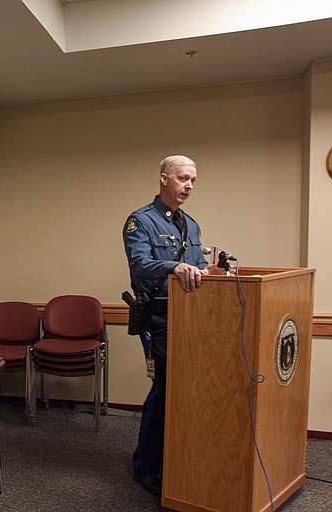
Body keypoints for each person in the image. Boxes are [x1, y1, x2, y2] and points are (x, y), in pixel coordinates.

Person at [122, 155, 225, 497]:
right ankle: (145, 466)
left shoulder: (191, 225)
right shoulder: (141, 221)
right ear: (164, 179)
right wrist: (174, 267)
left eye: (193, 180)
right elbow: (140, 267)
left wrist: (210, 273)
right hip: (159, 318)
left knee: (187, 390)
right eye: (183, 179)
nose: (189, 186)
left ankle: (176, 456)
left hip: (191, 317)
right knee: (165, 389)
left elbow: (196, 268)